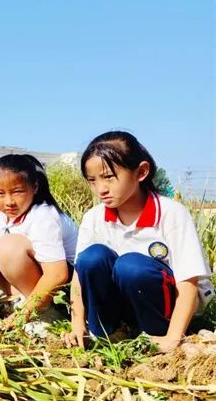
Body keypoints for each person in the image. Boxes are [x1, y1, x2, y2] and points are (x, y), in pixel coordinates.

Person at [63, 131, 213, 353]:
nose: (100, 189)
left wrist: (173, 339)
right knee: (92, 258)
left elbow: (188, 284)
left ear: (141, 172)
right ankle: (108, 333)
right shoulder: (94, 217)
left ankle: (154, 334)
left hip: (166, 310)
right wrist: (77, 326)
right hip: (121, 305)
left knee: (130, 266)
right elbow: (79, 279)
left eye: (109, 177)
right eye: (92, 180)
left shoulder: (171, 213)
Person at [0, 155, 78, 327]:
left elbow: (58, 274)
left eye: (17, 192)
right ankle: (17, 300)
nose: (9, 202)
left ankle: (44, 312)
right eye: (0, 193)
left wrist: (25, 314)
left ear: (34, 187)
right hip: (36, 272)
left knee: (9, 246)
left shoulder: (44, 215)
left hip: (67, 283)